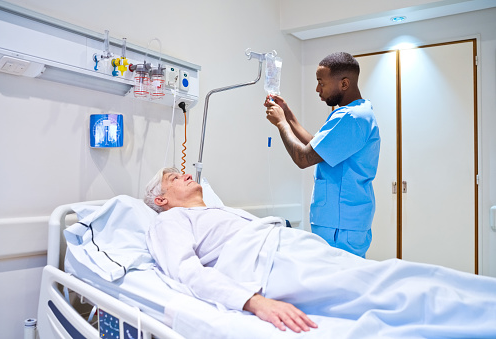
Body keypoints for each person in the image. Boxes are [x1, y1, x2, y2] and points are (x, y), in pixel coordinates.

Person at [143, 167, 496, 337]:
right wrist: (254, 301)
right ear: (161, 199)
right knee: (385, 286)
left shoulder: (216, 211)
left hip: (294, 247)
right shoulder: (169, 222)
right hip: (268, 266)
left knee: (392, 274)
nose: (184, 174)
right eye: (173, 177)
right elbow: (187, 272)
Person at [264, 52, 380, 258]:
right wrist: (288, 115)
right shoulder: (356, 113)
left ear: (344, 84)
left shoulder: (350, 117)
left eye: (321, 83)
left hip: (340, 224)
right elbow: (315, 147)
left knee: (339, 282)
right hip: (343, 221)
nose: (318, 89)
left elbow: (303, 158)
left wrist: (281, 123)